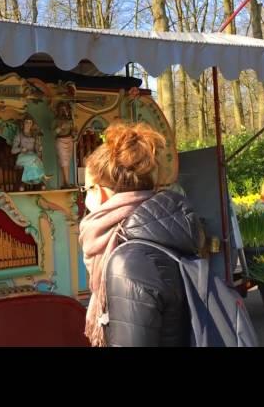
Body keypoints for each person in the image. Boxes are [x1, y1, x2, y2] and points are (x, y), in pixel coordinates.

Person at [79, 122, 202, 347]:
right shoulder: (158, 229)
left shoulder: (129, 262)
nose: (85, 198)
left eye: (86, 189)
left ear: (102, 193)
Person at [11, 116, 50, 191]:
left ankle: (29, 181)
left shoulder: (34, 136)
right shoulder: (19, 135)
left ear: (32, 124)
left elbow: (36, 150)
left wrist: (39, 149)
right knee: (35, 159)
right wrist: (21, 149)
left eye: (30, 122)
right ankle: (42, 177)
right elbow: (13, 150)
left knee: (35, 159)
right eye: (26, 122)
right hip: (22, 157)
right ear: (23, 123)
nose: (28, 124)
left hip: (32, 156)